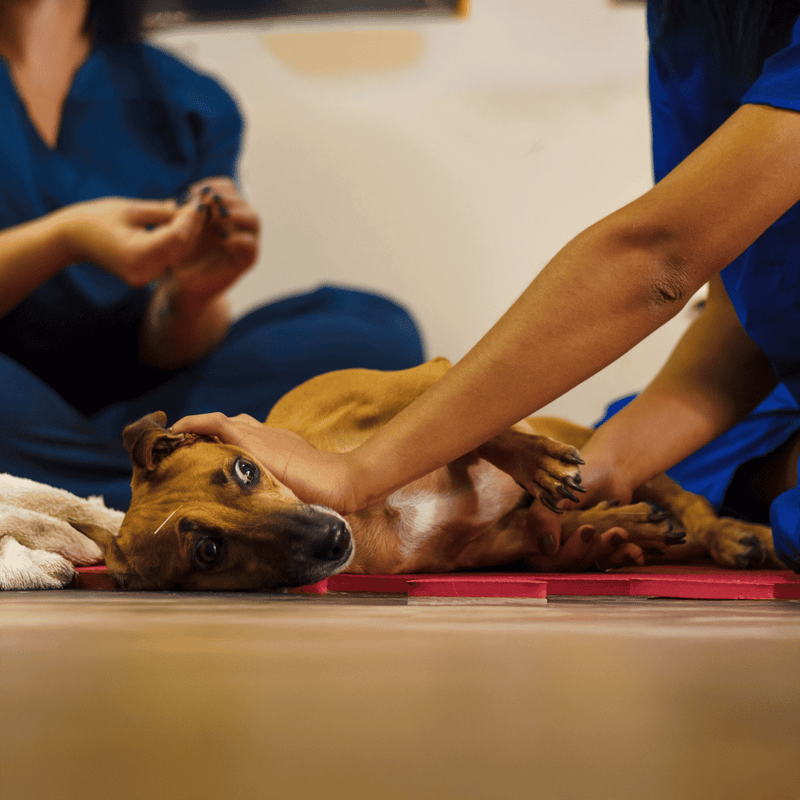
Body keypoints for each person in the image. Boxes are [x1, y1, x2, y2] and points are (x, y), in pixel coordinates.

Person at [173, 0, 800, 573]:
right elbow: (752, 303)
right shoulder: (690, 25)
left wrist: (356, 474)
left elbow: (661, 257)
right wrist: (616, 459)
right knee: (618, 455)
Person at [0, 0, 424, 511]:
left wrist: (193, 294)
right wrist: (63, 239)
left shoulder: (189, 100)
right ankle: (177, 480)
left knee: (376, 334)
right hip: (14, 392)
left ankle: (98, 481)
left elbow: (166, 346)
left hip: (151, 408)